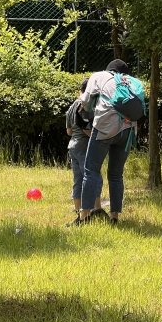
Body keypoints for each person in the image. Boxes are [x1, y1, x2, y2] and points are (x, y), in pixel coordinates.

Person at [69, 59, 137, 226]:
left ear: (109, 70)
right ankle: (114, 218)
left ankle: (84, 217)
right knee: (116, 174)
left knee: (91, 170)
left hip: (105, 128)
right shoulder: (131, 83)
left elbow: (84, 102)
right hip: (128, 130)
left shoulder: (100, 76)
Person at [65, 78, 102, 220]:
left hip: (73, 146)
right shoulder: (87, 105)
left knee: (78, 179)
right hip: (85, 146)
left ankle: (77, 209)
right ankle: (96, 209)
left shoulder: (72, 106)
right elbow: (87, 128)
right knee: (94, 177)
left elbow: (69, 131)